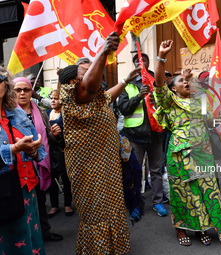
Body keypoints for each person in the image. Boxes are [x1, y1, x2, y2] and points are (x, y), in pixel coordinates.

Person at [58, 31, 140, 254]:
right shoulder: (75, 96)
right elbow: (89, 88)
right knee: (97, 213)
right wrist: (103, 51)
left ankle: (114, 248)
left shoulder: (95, 97)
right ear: (75, 81)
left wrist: (125, 80)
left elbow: (108, 95)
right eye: (86, 71)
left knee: (112, 208)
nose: (94, 71)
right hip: (89, 170)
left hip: (107, 164)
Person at [154, 40, 221, 246]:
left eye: (186, 81)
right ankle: (181, 228)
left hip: (202, 152)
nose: (185, 83)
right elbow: (159, 83)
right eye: (179, 81)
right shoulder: (168, 101)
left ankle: (203, 227)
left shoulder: (198, 102)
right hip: (180, 154)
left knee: (205, 189)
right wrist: (161, 56)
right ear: (172, 88)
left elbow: (209, 123)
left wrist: (216, 118)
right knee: (183, 192)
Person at [0, 67, 47, 254]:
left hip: (26, 190)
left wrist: (34, 151)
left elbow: (39, 149)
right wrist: (14, 149)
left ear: (6, 84)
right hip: (3, 193)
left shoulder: (17, 113)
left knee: (32, 243)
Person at [13, 77, 63, 242]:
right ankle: (26, 237)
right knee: (22, 203)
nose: (22, 93)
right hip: (19, 165)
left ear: (31, 92)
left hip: (39, 163)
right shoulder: (8, 113)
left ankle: (44, 232)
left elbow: (46, 138)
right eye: (17, 90)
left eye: (26, 89)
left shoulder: (40, 111)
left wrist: (53, 135)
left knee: (41, 200)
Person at [118, 52, 167, 217]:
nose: (142, 63)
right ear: (135, 65)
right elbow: (123, 108)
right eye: (138, 61)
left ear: (147, 62)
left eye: (144, 60)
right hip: (135, 136)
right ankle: (136, 205)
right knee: (135, 171)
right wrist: (139, 96)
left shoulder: (157, 81)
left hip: (156, 134)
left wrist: (157, 101)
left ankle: (158, 202)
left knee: (156, 170)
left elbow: (168, 104)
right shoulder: (128, 84)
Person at [198, 71, 221, 211]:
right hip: (202, 137)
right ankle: (210, 198)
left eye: (211, 79)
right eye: (206, 79)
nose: (210, 81)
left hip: (218, 137)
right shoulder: (197, 97)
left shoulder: (220, 95)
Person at [46, 89, 74, 217]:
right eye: (51, 98)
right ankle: (54, 205)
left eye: (56, 98)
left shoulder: (65, 114)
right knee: (51, 179)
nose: (53, 100)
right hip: (49, 151)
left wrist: (59, 135)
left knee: (66, 178)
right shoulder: (45, 114)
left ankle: (67, 204)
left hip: (63, 150)